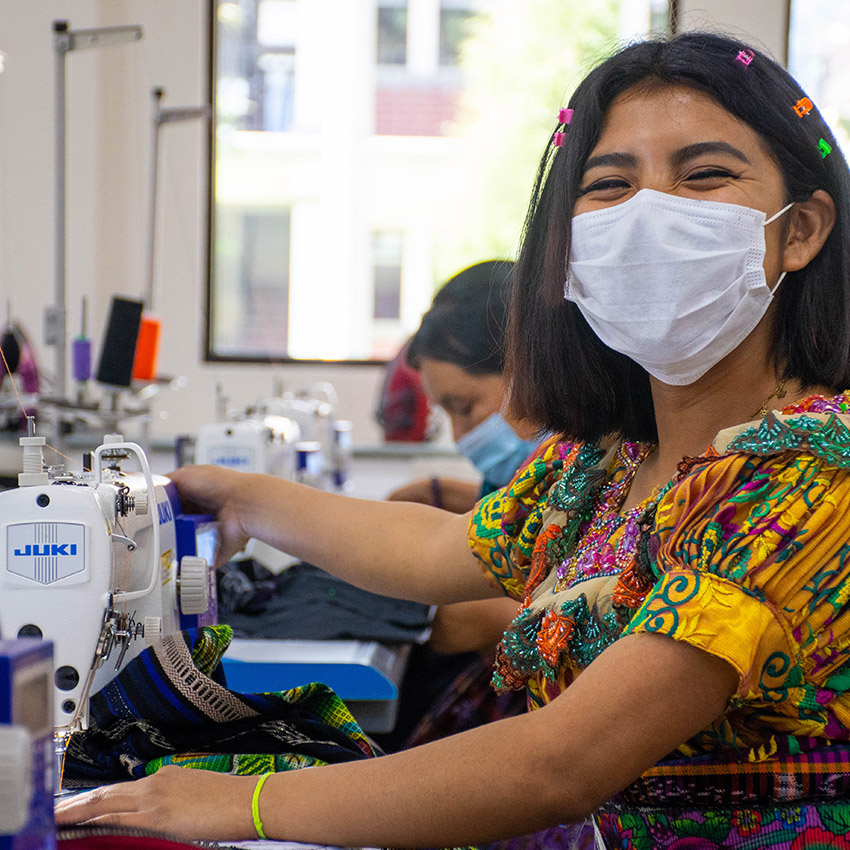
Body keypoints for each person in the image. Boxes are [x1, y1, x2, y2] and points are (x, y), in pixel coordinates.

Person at [56, 31, 850, 849]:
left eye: (704, 174)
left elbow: (561, 763)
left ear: (800, 229)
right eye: (610, 184)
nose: (650, 212)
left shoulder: (809, 479)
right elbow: (438, 549)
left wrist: (241, 803)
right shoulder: (609, 462)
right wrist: (242, 498)